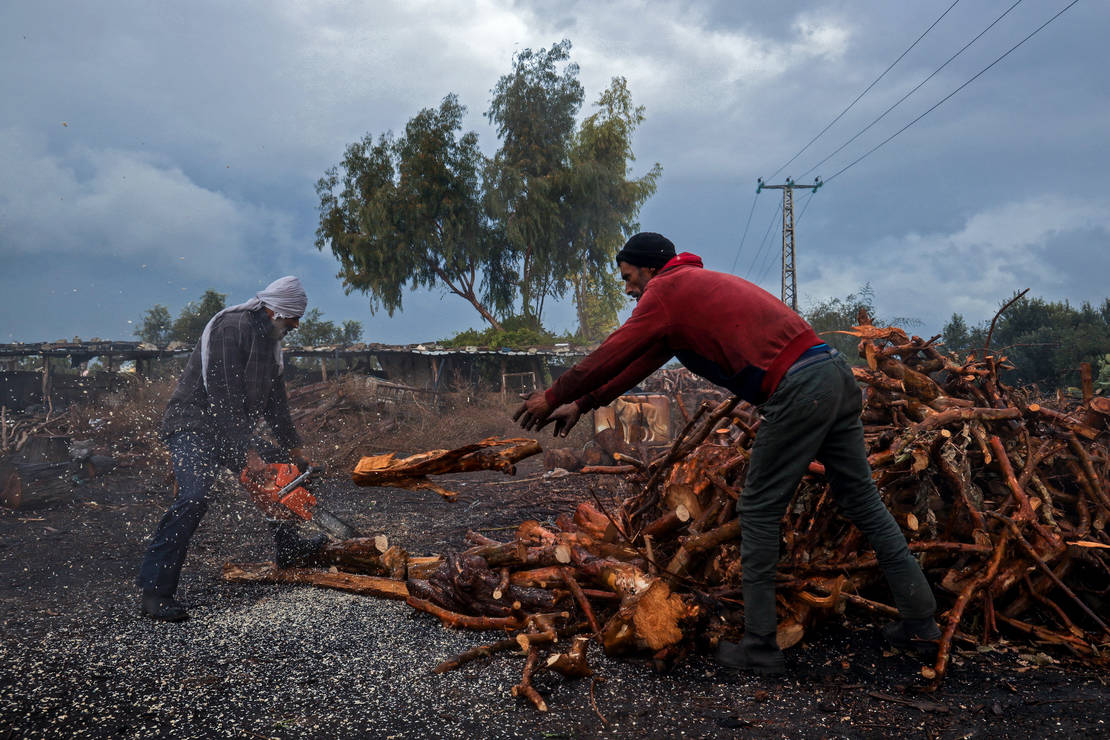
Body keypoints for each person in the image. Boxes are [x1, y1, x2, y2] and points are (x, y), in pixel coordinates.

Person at [515, 232, 939, 676]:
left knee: (757, 507)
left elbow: (612, 351)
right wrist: (583, 403)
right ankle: (921, 622)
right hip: (831, 372)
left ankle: (759, 645)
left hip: (799, 387)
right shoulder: (686, 295)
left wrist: (552, 394)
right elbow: (638, 362)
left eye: (628, 277)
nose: (627, 289)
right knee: (863, 501)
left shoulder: (666, 291)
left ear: (648, 269)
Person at [137, 276, 323, 621]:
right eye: (293, 316)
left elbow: (275, 402)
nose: (296, 324)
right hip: (194, 425)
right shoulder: (230, 327)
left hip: (231, 428)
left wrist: (294, 448)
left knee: (284, 471)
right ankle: (155, 592)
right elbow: (223, 394)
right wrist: (246, 452)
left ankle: (289, 546)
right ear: (274, 310)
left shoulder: (270, 343)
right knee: (193, 498)